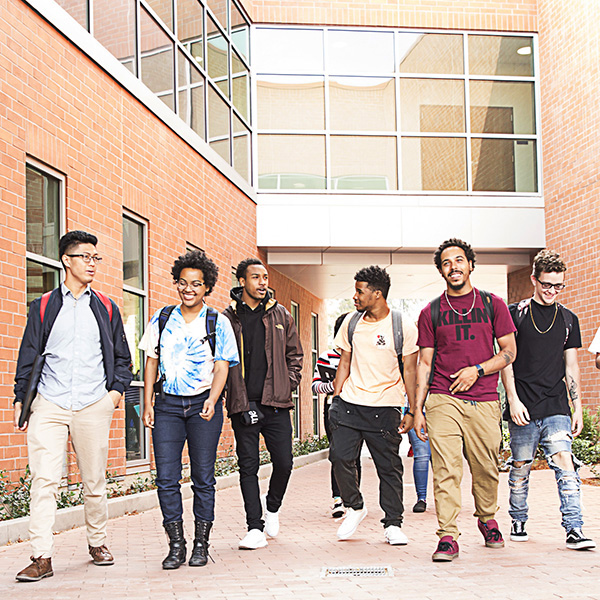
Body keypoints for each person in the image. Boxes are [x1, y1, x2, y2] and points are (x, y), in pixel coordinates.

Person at [13, 230, 133, 582]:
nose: (92, 263)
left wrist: (113, 395)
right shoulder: (45, 306)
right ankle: (41, 556)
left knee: (94, 480)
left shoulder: (107, 307)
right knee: (44, 480)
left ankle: (97, 542)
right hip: (49, 403)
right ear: (66, 260)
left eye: (96, 258)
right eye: (85, 257)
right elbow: (29, 355)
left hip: (92, 403)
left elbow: (123, 359)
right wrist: (24, 400)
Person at [414, 238, 517, 562]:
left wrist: (477, 369)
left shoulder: (493, 305)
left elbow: (509, 352)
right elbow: (425, 363)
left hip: (484, 398)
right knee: (446, 468)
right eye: (446, 262)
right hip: (443, 396)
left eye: (459, 260)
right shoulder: (430, 311)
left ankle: (487, 518)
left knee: (486, 466)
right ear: (441, 270)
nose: (453, 267)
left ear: (471, 265)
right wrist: (417, 409)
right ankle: (447, 536)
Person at [140, 250, 239, 569]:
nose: (189, 289)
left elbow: (222, 366)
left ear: (206, 286)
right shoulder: (162, 317)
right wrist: (147, 402)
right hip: (167, 406)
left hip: (202, 407)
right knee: (166, 479)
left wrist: (213, 398)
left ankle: (200, 544)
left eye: (196, 284)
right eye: (183, 283)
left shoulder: (217, 321)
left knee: (203, 478)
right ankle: (176, 545)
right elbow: (151, 360)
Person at [501, 249, 595, 550]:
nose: (552, 291)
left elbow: (571, 367)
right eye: (546, 284)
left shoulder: (569, 319)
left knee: (566, 464)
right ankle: (518, 519)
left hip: (556, 405)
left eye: (558, 285)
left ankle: (574, 528)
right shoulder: (515, 314)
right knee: (520, 468)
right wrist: (513, 400)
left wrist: (577, 407)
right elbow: (507, 361)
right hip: (523, 406)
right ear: (534, 279)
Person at [330, 266, 418, 545]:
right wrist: (337, 395)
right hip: (350, 403)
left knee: (389, 468)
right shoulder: (351, 322)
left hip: (386, 407)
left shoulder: (402, 325)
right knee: (339, 457)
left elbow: (411, 371)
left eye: (359, 291)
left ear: (377, 294)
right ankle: (354, 506)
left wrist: (412, 410)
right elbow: (344, 361)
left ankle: (393, 523)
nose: (354, 296)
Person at [223, 258, 303, 550]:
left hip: (276, 403)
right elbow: (219, 362)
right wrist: (232, 398)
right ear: (242, 281)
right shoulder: (227, 319)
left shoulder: (281, 315)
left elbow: (296, 356)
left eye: (265, 277)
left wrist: (287, 384)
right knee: (248, 466)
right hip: (243, 404)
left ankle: (272, 506)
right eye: (255, 277)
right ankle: (254, 527)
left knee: (284, 462)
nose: (262, 282)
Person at [311, 312, 362, 519]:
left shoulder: (362, 356)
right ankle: (338, 499)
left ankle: (354, 499)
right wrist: (335, 385)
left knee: (355, 456)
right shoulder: (326, 357)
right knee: (338, 454)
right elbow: (315, 386)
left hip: (359, 408)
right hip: (334, 408)